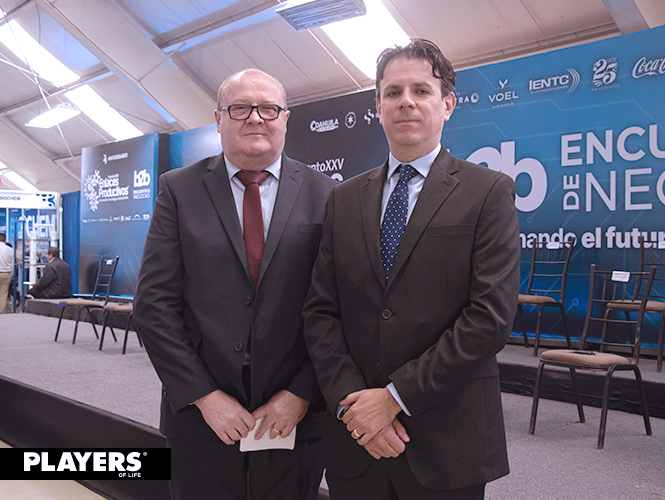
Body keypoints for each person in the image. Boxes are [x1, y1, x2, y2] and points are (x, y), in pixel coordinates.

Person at [303, 39, 520, 500]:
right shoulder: (344, 198)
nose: (406, 101)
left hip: (447, 444)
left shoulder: (488, 192)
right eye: (393, 92)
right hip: (355, 439)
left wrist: (393, 398)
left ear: (448, 104)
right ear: (377, 107)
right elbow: (321, 311)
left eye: (421, 90)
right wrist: (353, 406)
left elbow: (489, 319)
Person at [134, 69, 336, 500]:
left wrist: (301, 394)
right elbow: (153, 305)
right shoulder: (179, 190)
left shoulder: (328, 194)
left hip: (294, 413)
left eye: (268, 108)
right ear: (218, 118)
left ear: (286, 118)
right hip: (199, 413)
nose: (255, 118)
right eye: (240, 107)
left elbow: (338, 307)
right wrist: (205, 397)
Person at [0, 233, 15, 313]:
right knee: (3, 296)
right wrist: (9, 275)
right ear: (5, 239)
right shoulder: (10, 250)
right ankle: (2, 313)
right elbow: (12, 265)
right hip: (6, 274)